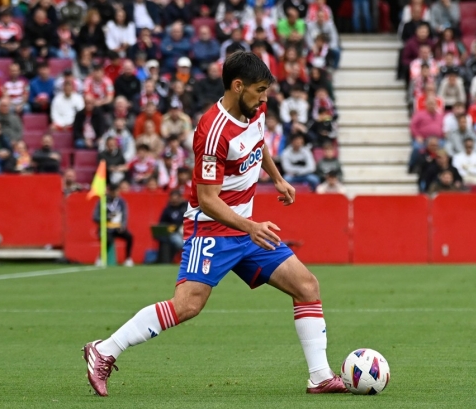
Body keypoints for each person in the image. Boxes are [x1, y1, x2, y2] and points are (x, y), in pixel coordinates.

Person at [83, 51, 348, 397]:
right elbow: (207, 200)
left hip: (246, 227)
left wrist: (277, 178)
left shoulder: (256, 108)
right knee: (187, 305)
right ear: (238, 86)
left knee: (307, 286)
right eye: (260, 90)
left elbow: (258, 142)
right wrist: (249, 227)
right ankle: (104, 350)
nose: (266, 97)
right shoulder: (211, 132)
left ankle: (320, 376)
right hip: (211, 229)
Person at [92, 183, 134, 267]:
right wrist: (106, 218)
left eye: (118, 191)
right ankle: (100, 258)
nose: (117, 194)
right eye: (115, 192)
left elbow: (124, 215)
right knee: (108, 240)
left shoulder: (121, 202)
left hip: (117, 227)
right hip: (105, 228)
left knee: (130, 237)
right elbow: (95, 217)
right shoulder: (102, 201)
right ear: (110, 192)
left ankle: (128, 258)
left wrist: (122, 225)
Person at [157, 189, 187, 262]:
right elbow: (161, 223)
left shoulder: (185, 207)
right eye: (173, 199)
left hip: (185, 231)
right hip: (172, 232)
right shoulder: (167, 210)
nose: (174, 201)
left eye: (176, 199)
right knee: (179, 242)